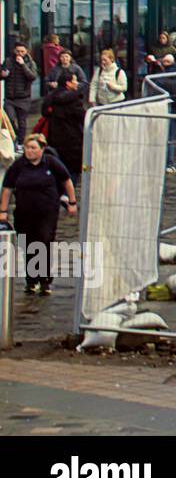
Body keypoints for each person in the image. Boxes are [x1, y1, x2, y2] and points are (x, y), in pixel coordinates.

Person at [0, 135, 77, 294]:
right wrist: (3, 211)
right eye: (27, 148)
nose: (29, 151)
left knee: (43, 242)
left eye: (33, 148)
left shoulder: (51, 163)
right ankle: (31, 279)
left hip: (46, 212)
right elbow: (7, 187)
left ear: (42, 149)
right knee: (27, 245)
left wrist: (72, 202)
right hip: (24, 212)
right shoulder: (19, 165)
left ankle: (45, 280)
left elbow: (66, 180)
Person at [42, 72, 86, 192]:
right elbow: (83, 117)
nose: (77, 83)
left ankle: (59, 192)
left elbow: (45, 112)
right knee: (73, 169)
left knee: (58, 166)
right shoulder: (74, 99)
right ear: (68, 83)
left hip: (55, 137)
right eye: (75, 80)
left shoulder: (51, 97)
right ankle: (68, 194)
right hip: (73, 139)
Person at [1, 43, 41, 138]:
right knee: (9, 119)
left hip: (23, 97)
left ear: (26, 51)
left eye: (22, 51)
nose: (19, 53)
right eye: (17, 51)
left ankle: (20, 141)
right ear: (14, 51)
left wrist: (23, 65)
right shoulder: (8, 61)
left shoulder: (30, 63)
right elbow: (2, 74)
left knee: (22, 122)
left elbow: (32, 76)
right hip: (9, 97)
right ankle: (15, 137)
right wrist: (2, 74)